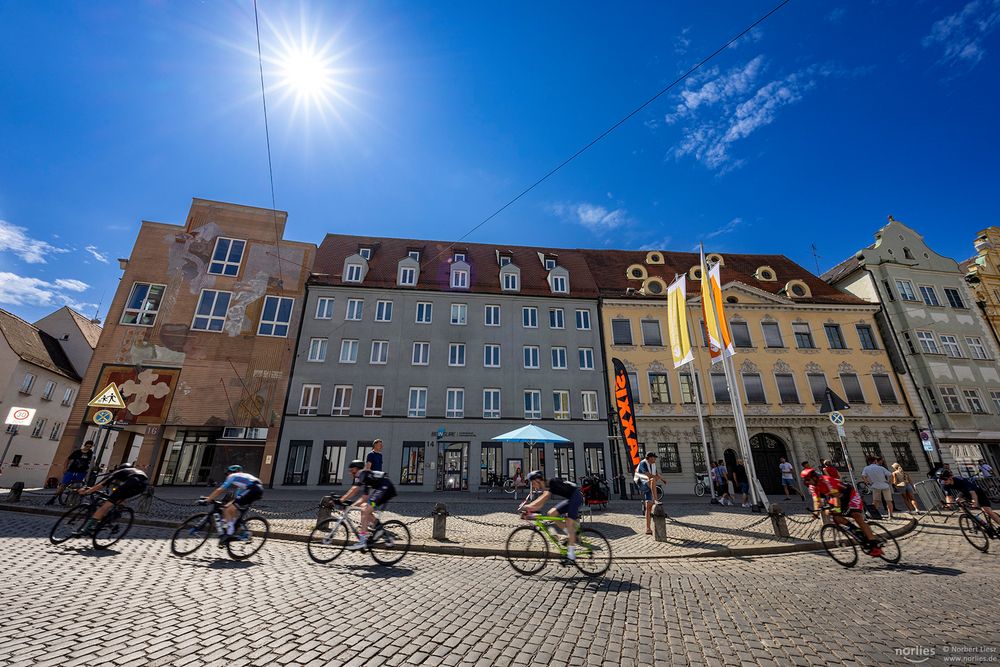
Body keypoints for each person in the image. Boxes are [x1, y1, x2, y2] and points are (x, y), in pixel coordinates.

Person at [801, 467, 882, 558]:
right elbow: (816, 500)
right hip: (836, 497)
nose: (807, 482)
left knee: (856, 515)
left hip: (850, 495)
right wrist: (816, 513)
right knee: (833, 515)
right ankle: (855, 530)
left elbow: (836, 497)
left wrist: (837, 510)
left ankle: (874, 544)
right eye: (805, 481)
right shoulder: (812, 486)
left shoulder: (826, 480)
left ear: (814, 477)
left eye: (808, 480)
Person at [520, 471, 584, 561]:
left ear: (538, 480)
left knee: (569, 522)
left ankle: (571, 556)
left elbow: (543, 498)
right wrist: (530, 510)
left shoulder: (550, 483)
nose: (533, 486)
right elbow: (540, 505)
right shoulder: (546, 487)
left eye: (533, 483)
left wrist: (528, 507)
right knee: (551, 513)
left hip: (577, 496)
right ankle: (571, 534)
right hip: (571, 498)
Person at [74, 462, 149, 536]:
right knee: (121, 497)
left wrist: (87, 491)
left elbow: (101, 485)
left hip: (132, 482)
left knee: (105, 506)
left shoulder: (118, 472)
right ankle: (116, 513)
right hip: (143, 486)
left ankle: (87, 529)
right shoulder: (133, 471)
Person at [199, 465, 264, 544]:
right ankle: (237, 529)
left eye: (227, 474)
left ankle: (229, 534)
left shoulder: (232, 476)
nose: (227, 476)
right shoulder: (242, 481)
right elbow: (235, 499)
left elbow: (220, 490)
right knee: (229, 508)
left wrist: (208, 500)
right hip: (257, 488)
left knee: (227, 509)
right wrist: (222, 504)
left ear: (230, 472)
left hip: (254, 488)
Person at [341, 460, 397, 550]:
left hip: (385, 489)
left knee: (366, 509)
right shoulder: (364, 477)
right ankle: (382, 532)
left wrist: (342, 500)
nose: (350, 473)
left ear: (356, 469)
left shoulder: (362, 474)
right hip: (382, 490)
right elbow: (364, 497)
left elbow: (354, 489)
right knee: (364, 507)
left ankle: (362, 541)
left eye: (351, 470)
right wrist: (351, 506)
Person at [46, 441, 95, 505]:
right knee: (63, 484)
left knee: (77, 486)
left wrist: (89, 471)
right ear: (84, 445)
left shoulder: (91, 454)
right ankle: (53, 498)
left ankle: (72, 500)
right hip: (71, 470)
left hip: (81, 472)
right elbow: (68, 459)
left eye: (90, 447)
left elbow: (92, 462)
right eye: (87, 446)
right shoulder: (77, 452)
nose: (88, 448)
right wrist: (65, 468)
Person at [634, 452, 661, 535]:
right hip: (641, 483)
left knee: (648, 506)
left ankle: (648, 529)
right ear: (649, 458)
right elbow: (649, 475)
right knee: (652, 481)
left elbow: (657, 475)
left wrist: (660, 478)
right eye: (654, 457)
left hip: (649, 485)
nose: (655, 459)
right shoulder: (643, 463)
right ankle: (656, 500)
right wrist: (656, 477)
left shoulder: (653, 465)